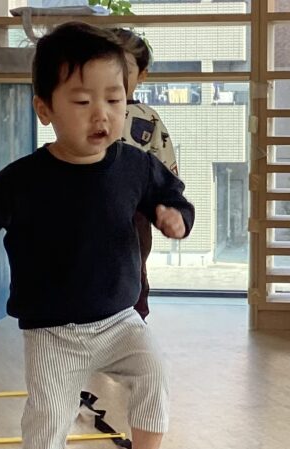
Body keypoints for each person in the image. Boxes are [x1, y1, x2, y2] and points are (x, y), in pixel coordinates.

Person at [0, 22, 195, 449]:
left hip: (121, 319)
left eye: (114, 99)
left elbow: (172, 195)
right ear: (45, 109)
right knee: (49, 417)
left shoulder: (135, 166)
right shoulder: (22, 179)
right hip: (54, 330)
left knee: (154, 376)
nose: (101, 114)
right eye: (82, 101)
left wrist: (175, 216)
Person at [114, 28, 179, 320]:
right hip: (91, 204)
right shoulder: (88, 110)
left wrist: (168, 204)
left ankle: (134, 318)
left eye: (125, 69)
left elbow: (164, 164)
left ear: (142, 75)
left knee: (135, 265)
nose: (115, 76)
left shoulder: (147, 116)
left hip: (136, 209)